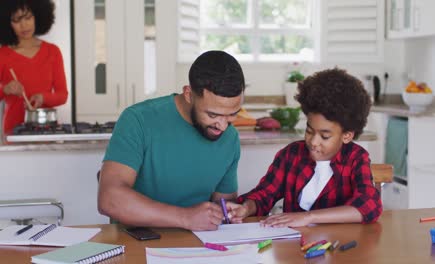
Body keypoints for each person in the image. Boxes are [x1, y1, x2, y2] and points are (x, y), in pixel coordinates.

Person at [98, 50, 245, 231]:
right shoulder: (138, 120)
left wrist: (229, 212)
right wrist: (185, 218)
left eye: (232, 114)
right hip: (137, 242)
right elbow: (109, 199)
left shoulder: (230, 138)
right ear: (188, 94)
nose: (222, 126)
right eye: (212, 114)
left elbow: (223, 203)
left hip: (201, 246)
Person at [227, 68, 382, 227]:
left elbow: (368, 206)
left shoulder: (356, 158)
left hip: (339, 247)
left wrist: (309, 217)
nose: (314, 142)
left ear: (347, 135)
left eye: (325, 136)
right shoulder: (291, 155)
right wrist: (245, 208)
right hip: (294, 247)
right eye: (309, 130)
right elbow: (264, 194)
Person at [0, 0, 68, 134]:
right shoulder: (3, 55)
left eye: (28, 17)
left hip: (47, 129)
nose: (24, 25)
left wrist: (43, 98)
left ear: (38, 15)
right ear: (7, 24)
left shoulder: (52, 52)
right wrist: (5, 89)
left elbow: (62, 95)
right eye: (16, 20)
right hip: (13, 131)